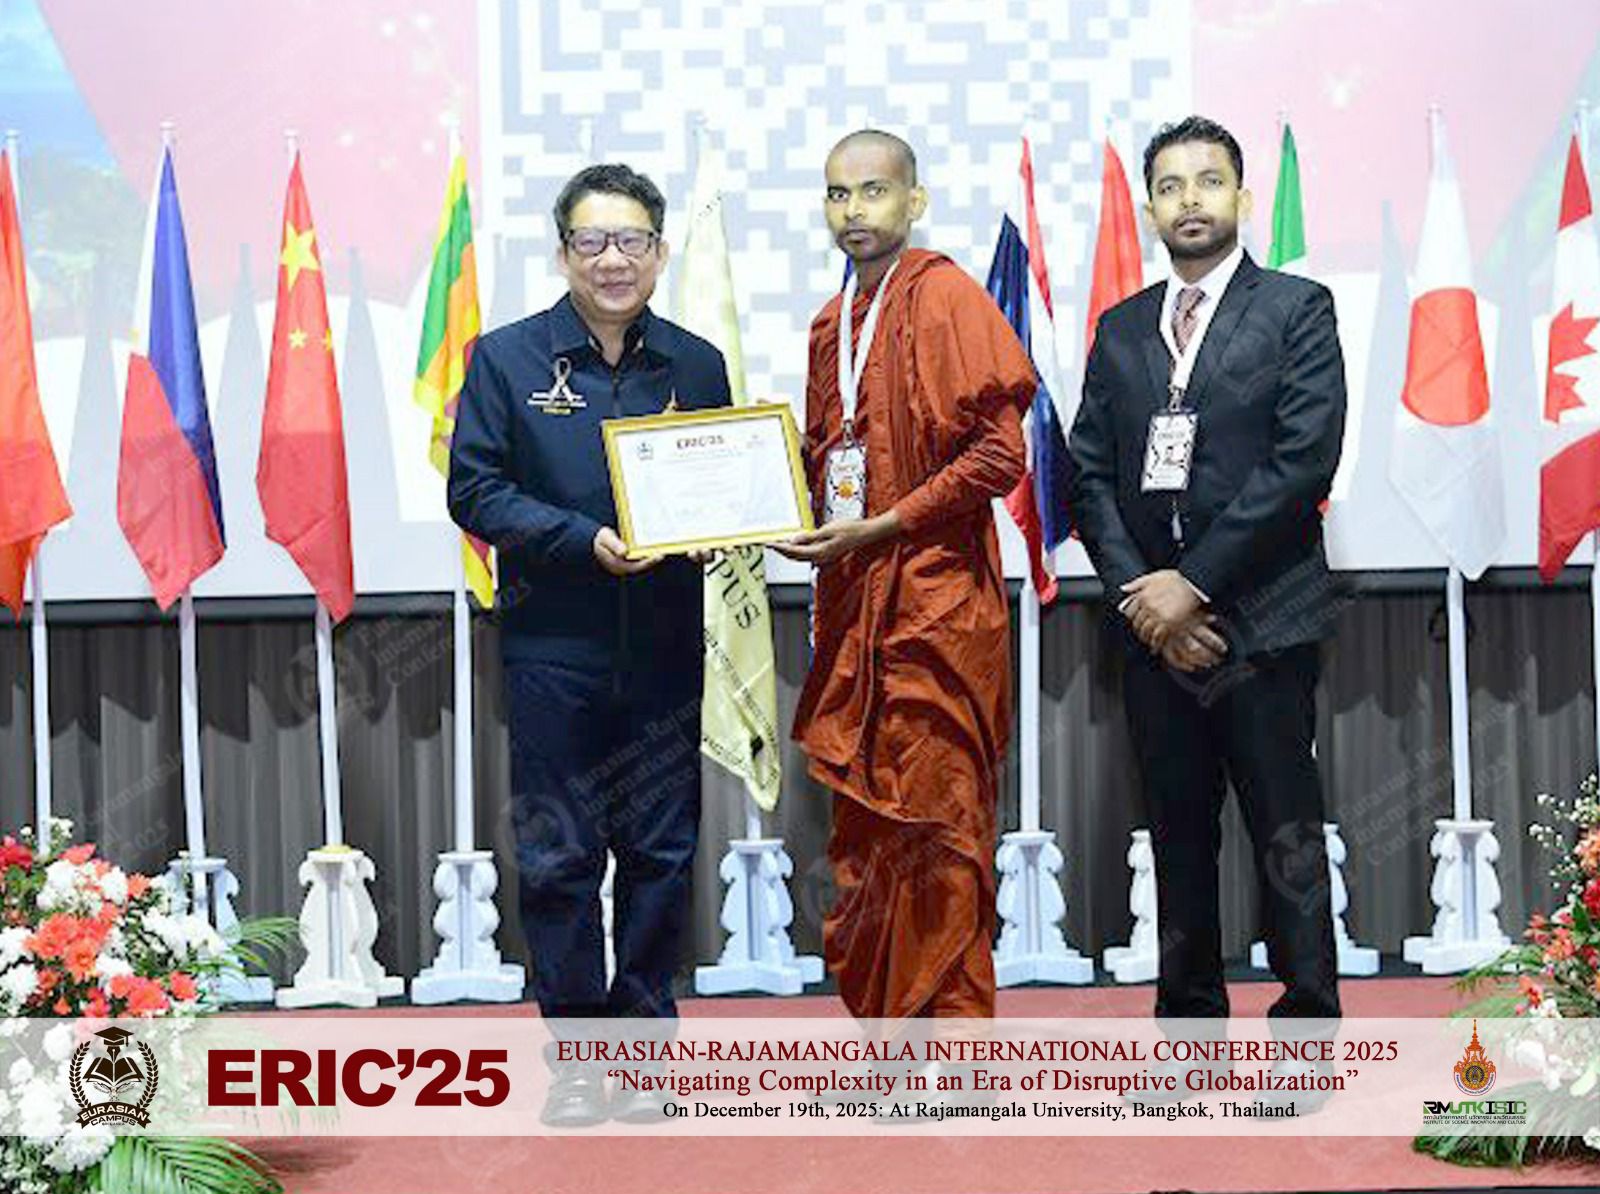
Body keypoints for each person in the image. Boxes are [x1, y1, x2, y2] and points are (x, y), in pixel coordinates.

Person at [448, 163, 730, 1125]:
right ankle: (578, 1060)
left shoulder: (696, 365)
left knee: (661, 853)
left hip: (664, 650)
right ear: (564, 251)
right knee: (561, 859)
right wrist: (582, 541)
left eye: (632, 241)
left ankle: (644, 1061)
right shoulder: (507, 359)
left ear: (660, 250)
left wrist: (727, 521)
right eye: (593, 241)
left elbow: (720, 483)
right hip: (553, 651)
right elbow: (475, 490)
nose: (614, 260)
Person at [1066, 117, 1346, 1053]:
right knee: (1178, 839)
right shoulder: (1120, 328)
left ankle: (1305, 1035)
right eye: (1171, 186)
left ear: (1242, 198)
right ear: (1151, 208)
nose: (1190, 199)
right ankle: (1189, 1031)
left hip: (1263, 620)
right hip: (1153, 631)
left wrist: (1192, 585)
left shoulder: (1297, 309)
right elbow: (1089, 475)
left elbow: (1301, 464)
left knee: (1286, 834)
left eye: (1209, 181)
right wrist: (1147, 600)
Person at [779, 130, 1035, 1023]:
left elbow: (999, 455)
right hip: (857, 613)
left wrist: (885, 526)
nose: (854, 210)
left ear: (913, 201)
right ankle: (889, 1042)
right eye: (837, 194)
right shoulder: (831, 324)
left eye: (874, 191)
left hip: (936, 609)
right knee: (869, 841)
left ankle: (953, 1051)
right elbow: (829, 460)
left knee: (939, 828)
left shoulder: (948, 296)